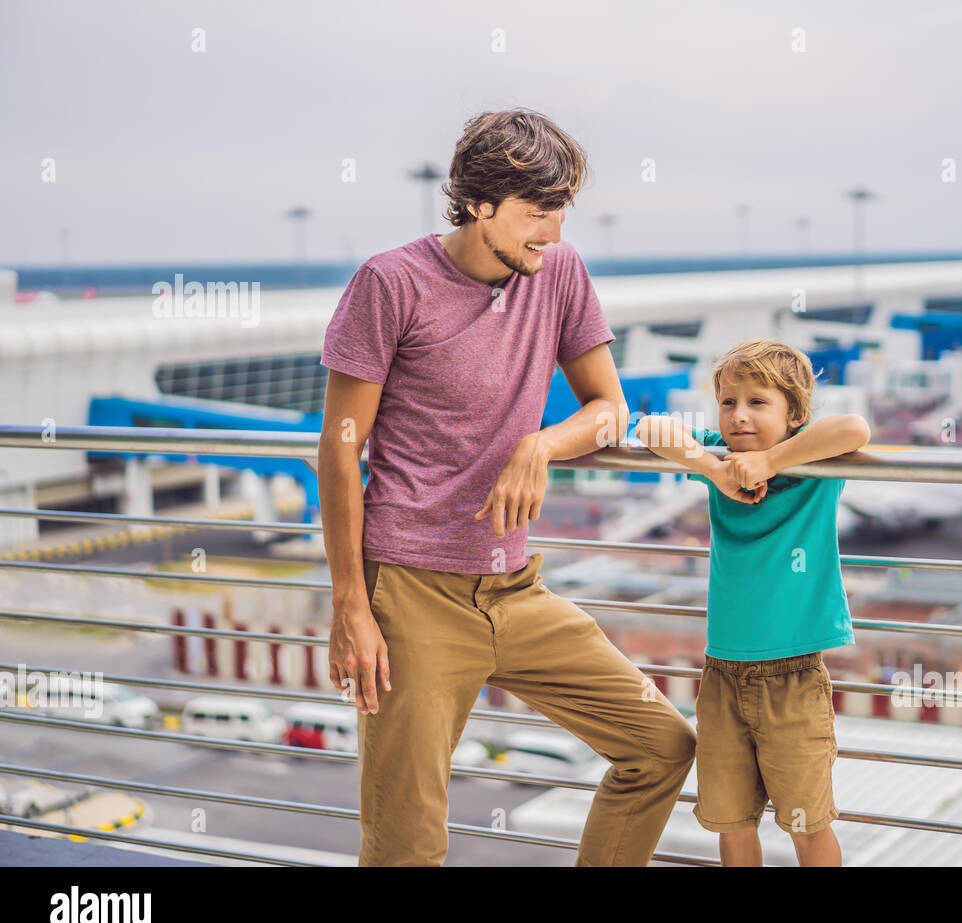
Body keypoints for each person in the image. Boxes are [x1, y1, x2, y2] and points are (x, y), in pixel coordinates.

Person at [317, 108, 695, 866]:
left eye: (560, 211)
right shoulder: (391, 282)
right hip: (413, 594)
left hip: (517, 591)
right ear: (478, 202)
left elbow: (610, 410)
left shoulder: (559, 272)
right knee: (406, 844)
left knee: (662, 745)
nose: (550, 232)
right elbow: (338, 449)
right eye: (535, 212)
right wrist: (353, 607)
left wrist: (541, 444)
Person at [635, 339, 870, 866]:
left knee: (807, 823)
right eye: (727, 402)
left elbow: (854, 427)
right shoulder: (719, 455)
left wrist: (768, 460)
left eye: (758, 402)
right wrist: (714, 467)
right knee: (731, 822)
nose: (739, 416)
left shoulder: (816, 465)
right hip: (721, 672)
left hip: (794, 673)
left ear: (796, 414)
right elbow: (649, 430)